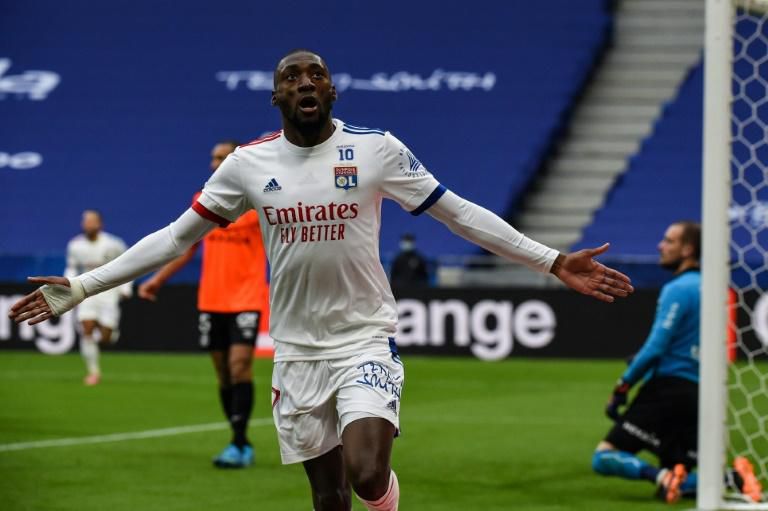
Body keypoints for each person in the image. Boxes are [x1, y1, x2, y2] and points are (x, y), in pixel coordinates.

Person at [9, 49, 634, 511]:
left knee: (366, 475)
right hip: (297, 351)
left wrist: (551, 261)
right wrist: (85, 286)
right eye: (291, 78)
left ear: (332, 91)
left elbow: (458, 212)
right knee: (329, 497)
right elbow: (175, 238)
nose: (305, 83)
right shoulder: (248, 166)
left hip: (364, 338)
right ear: (276, 98)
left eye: (315, 75)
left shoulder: (376, 149)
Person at [591, 221, 762, 504]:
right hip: (699, 392)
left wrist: (624, 383)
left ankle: (660, 477)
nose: (660, 246)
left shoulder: (678, 289)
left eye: (668, 241)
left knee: (604, 457)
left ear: (687, 249)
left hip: (667, 389)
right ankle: (733, 478)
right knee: (683, 476)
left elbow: (655, 348)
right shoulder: (715, 289)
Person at [137, 140, 269, 468]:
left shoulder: (259, 202)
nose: (216, 162)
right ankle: (238, 440)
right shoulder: (204, 200)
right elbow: (185, 245)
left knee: (240, 365)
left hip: (246, 297)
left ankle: (240, 443)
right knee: (223, 373)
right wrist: (157, 279)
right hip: (211, 298)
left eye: (223, 157)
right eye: (213, 157)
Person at [65, 210, 132, 385]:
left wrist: (126, 288)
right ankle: (93, 372)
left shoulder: (114, 244)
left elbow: (130, 265)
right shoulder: (75, 245)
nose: (88, 224)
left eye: (92, 221)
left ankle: (110, 334)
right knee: (86, 328)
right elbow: (72, 268)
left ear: (100, 224)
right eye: (85, 221)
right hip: (87, 290)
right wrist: (68, 284)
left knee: (105, 337)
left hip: (109, 291)